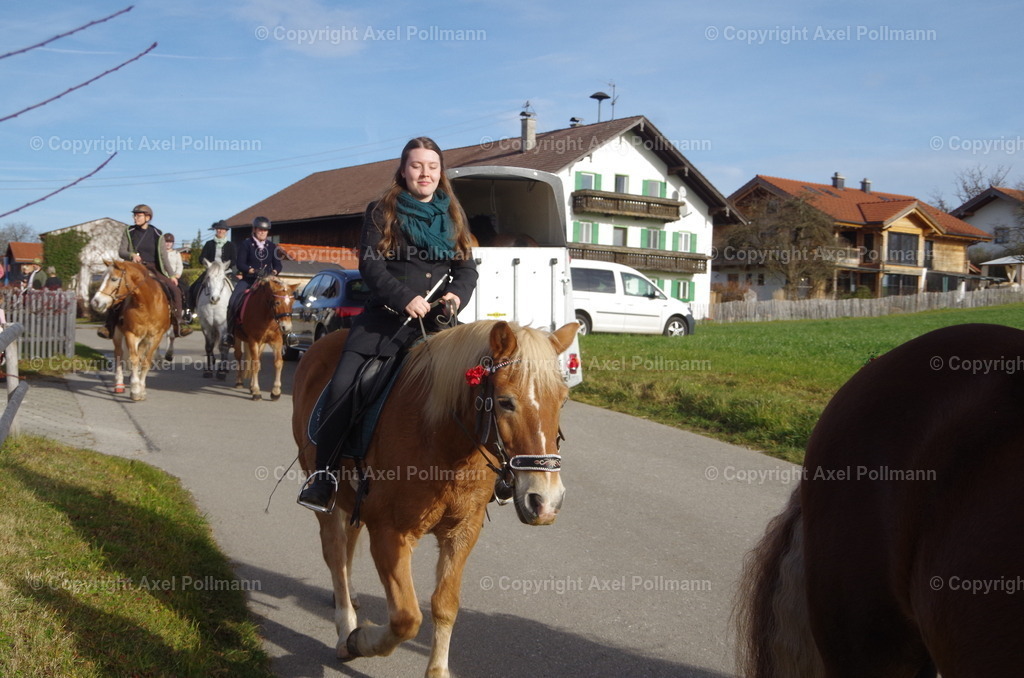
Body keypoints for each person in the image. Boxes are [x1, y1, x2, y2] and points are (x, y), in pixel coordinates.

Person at [297, 137, 478, 512]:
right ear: (403, 170)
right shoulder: (382, 210)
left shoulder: (454, 214)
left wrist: (455, 297)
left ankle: (494, 475)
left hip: (439, 326)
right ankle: (325, 477)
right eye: (416, 166)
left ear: (440, 172)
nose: (424, 173)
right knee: (344, 388)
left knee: (480, 389)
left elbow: (466, 269)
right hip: (383, 324)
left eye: (431, 166)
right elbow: (371, 265)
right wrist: (403, 298)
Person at [98, 204, 192, 339]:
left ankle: (179, 323)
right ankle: (109, 326)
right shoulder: (129, 231)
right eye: (134, 215)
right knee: (118, 290)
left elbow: (164, 256)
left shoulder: (157, 234)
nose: (135, 218)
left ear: (147, 217)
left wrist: (171, 275)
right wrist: (132, 256)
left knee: (175, 290)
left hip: (153, 267)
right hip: (134, 268)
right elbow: (121, 251)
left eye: (139, 215)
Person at [225, 216, 282, 342]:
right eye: (260, 229)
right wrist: (253, 270)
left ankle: (286, 333)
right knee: (233, 301)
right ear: (254, 230)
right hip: (249, 280)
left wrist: (273, 272)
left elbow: (278, 265)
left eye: (265, 230)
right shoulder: (246, 244)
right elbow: (240, 264)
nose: (262, 232)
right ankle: (230, 333)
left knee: (283, 299)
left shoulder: (272, 246)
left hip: (267, 281)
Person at [187, 220, 236, 312]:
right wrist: (206, 263)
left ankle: (235, 311)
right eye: (218, 229)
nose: (220, 231)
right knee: (194, 286)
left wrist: (224, 265)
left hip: (226, 271)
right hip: (211, 271)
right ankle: (190, 310)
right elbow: (201, 257)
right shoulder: (209, 244)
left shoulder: (231, 245)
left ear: (226, 231)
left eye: (222, 229)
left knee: (237, 288)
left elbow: (234, 259)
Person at [163, 233, 192, 322]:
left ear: (173, 243)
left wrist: (177, 275)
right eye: (166, 242)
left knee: (186, 289)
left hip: (175, 277)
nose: (168, 244)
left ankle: (187, 310)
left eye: (170, 242)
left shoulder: (176, 253)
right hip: (163, 276)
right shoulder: (161, 254)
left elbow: (180, 266)